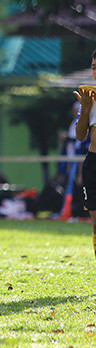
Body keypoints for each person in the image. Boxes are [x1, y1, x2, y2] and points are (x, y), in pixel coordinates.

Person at [73, 50, 96, 259]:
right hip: (93, 163)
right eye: (94, 67)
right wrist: (86, 109)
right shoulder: (90, 98)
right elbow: (80, 136)